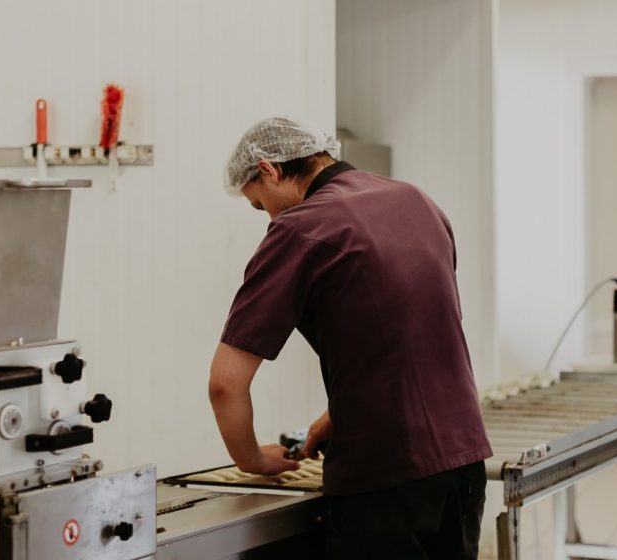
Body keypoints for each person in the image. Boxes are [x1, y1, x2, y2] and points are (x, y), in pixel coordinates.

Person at [209, 117, 492, 559]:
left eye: (259, 204)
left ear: (268, 170)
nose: (267, 216)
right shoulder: (417, 201)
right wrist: (339, 415)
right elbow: (408, 332)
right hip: (462, 463)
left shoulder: (300, 228)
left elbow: (225, 383)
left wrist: (251, 460)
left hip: (385, 478)